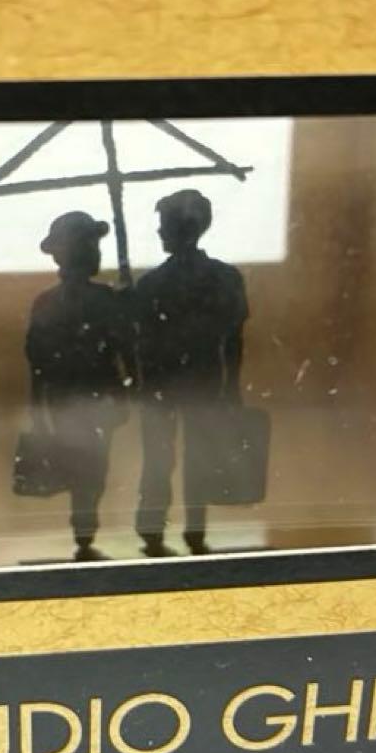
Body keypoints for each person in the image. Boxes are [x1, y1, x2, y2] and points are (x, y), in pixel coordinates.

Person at [133, 189, 249, 557]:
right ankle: (185, 529)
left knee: (163, 458)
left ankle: (155, 529)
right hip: (199, 382)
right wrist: (231, 387)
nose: (159, 231)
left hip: (170, 385)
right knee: (189, 457)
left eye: (164, 224)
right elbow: (233, 340)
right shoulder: (225, 278)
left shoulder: (151, 284)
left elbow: (142, 342)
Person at [25, 210, 132, 561]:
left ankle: (83, 524)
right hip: (94, 397)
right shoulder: (105, 299)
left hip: (69, 398)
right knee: (92, 464)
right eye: (90, 246)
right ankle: (84, 523)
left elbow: (37, 363)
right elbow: (124, 346)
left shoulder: (47, 302)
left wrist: (38, 404)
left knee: (84, 462)